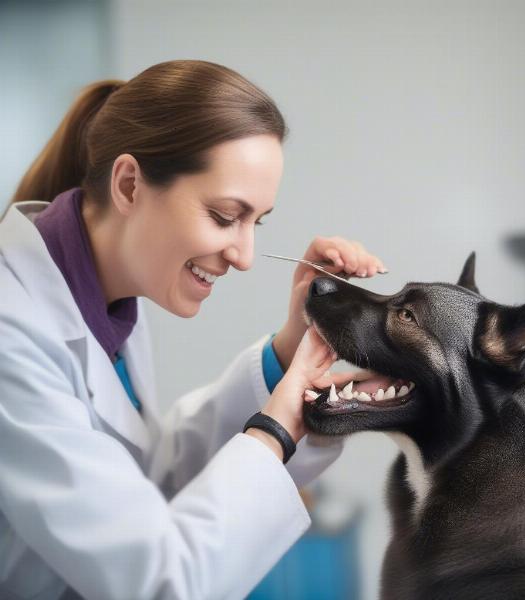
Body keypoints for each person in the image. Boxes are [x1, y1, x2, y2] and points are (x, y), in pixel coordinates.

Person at [0, 60, 386, 600]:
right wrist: (274, 432)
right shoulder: (12, 333)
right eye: (226, 215)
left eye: (258, 222)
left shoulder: (111, 303)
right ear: (130, 184)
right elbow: (158, 580)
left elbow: (150, 479)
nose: (246, 256)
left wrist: (289, 348)